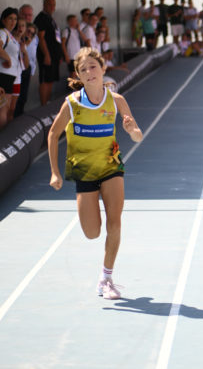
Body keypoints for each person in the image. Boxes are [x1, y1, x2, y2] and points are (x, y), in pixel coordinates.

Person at [48, 47, 143, 299]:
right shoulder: (72, 103)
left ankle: (106, 278)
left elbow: (137, 136)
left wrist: (132, 129)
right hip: (84, 172)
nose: (89, 72)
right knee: (92, 232)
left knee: (115, 222)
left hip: (111, 167)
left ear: (102, 68)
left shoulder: (117, 100)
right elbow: (53, 134)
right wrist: (55, 172)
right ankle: (91, 208)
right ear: (78, 75)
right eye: (83, 69)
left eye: (93, 66)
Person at [34, 0, 63, 105]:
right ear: (44, 5)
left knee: (50, 80)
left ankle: (46, 105)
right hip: (46, 55)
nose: (52, 7)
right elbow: (40, 37)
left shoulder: (50, 18)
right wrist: (46, 55)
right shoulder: (41, 18)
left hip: (54, 55)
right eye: (50, 4)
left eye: (54, 5)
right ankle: (43, 105)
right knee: (45, 80)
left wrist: (58, 55)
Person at [0, 8, 25, 127]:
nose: (13, 21)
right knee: (2, 110)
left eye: (15, 19)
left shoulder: (9, 34)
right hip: (3, 76)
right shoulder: (2, 32)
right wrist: (8, 59)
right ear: (4, 19)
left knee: (7, 109)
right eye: (10, 18)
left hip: (10, 77)